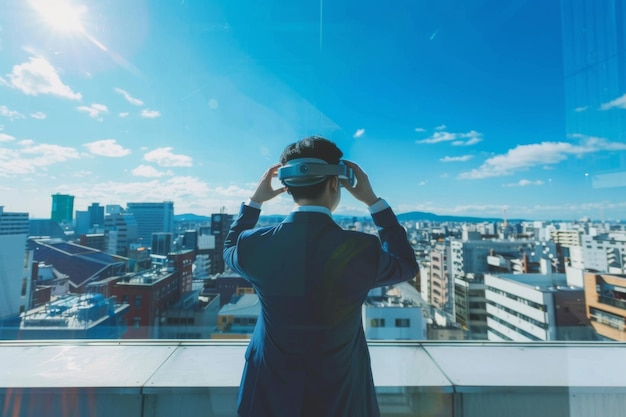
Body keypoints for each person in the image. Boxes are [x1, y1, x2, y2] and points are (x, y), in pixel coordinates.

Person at [223, 136, 419, 417]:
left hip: (269, 387)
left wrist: (255, 201)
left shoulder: (255, 244)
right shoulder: (361, 249)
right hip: (342, 390)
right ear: (334, 182)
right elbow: (406, 264)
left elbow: (229, 248)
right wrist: (372, 201)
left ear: (286, 186)